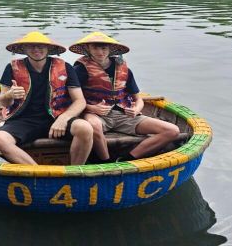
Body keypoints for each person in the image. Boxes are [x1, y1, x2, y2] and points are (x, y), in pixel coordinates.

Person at [69, 31, 180, 162]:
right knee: (93, 126)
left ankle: (125, 159)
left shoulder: (123, 68)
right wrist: (92, 108)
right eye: (95, 47)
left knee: (172, 131)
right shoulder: (79, 70)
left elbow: (138, 99)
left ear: (110, 49)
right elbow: (69, 99)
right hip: (95, 115)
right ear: (88, 49)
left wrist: (137, 109)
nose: (100, 52)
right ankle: (107, 161)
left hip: (124, 114)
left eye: (104, 48)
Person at [0, 31, 93, 165]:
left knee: (85, 128)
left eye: (41, 46)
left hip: (56, 116)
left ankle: (74, 171)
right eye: (31, 46)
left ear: (49, 49)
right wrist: (10, 94)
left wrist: (63, 119)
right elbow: (4, 101)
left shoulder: (65, 67)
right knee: (0, 138)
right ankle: (37, 172)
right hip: (24, 120)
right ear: (24, 49)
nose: (36, 50)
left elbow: (80, 101)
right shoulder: (12, 67)